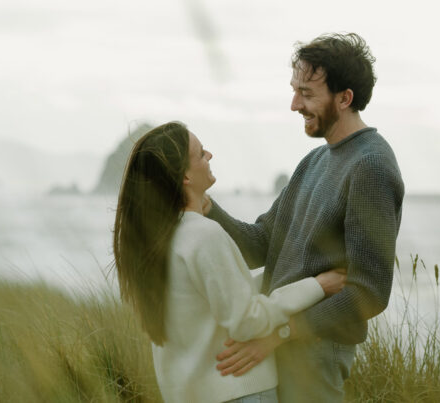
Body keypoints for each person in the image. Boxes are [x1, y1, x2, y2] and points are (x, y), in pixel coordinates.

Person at [205, 32, 405, 403]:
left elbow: (370, 292)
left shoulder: (371, 167)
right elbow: (259, 246)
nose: (295, 104)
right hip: (281, 342)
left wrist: (281, 333)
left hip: (315, 351)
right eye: (295, 90)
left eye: (307, 93)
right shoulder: (315, 161)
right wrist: (205, 207)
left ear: (344, 98)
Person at [113, 121, 347, 403]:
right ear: (184, 176)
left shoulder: (161, 240)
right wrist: (317, 285)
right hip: (240, 392)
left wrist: (299, 274)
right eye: (200, 154)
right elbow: (247, 321)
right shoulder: (204, 235)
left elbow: (221, 295)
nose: (209, 156)